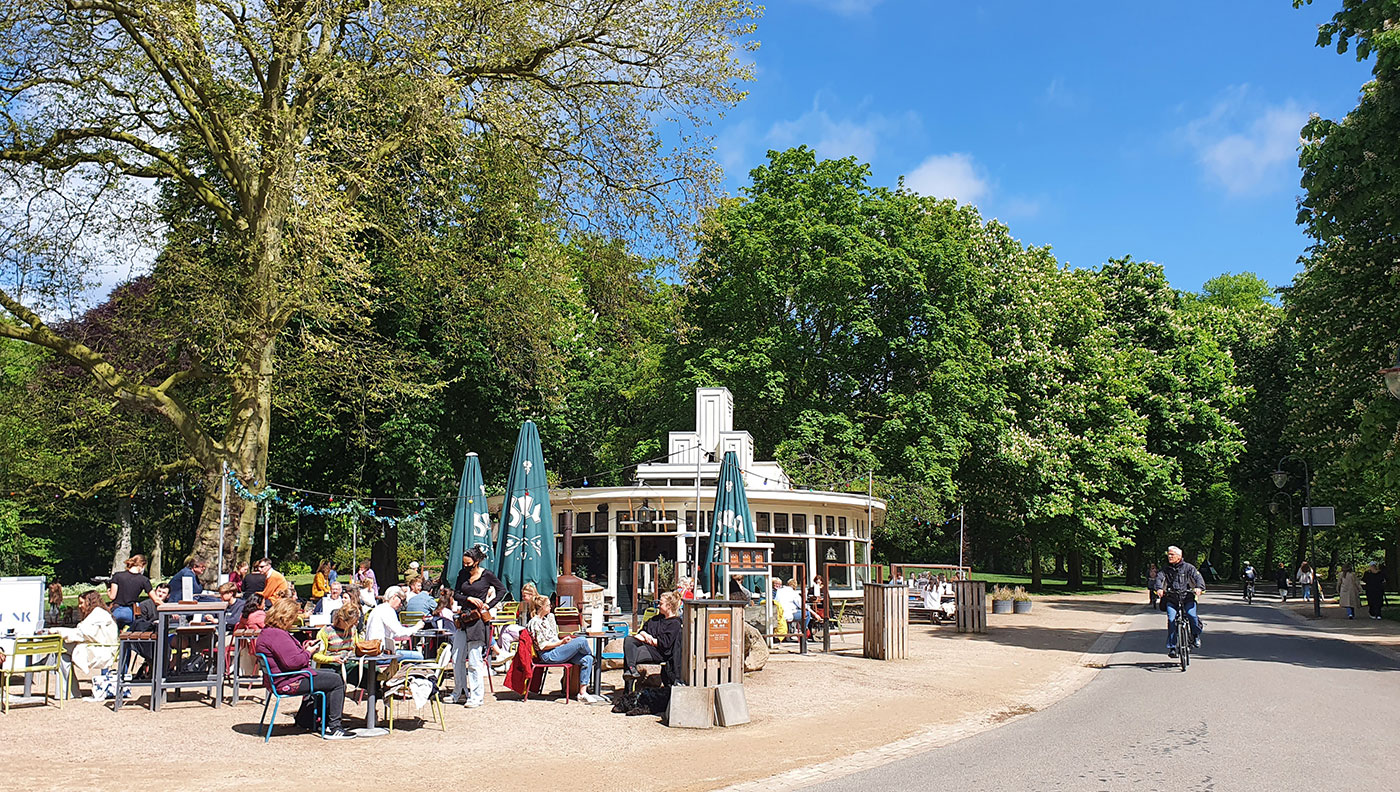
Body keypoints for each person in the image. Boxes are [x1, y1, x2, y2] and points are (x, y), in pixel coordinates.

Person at [255, 598, 356, 740]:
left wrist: (304, 647)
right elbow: (294, 663)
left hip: (280, 679)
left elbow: (288, 656)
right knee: (337, 680)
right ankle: (334, 727)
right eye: (293, 617)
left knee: (331, 674)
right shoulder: (277, 634)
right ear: (286, 616)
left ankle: (321, 721)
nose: (295, 620)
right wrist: (309, 652)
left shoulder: (269, 632)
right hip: (289, 681)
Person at [527, 595, 608, 704]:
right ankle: (594, 659)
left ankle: (582, 693)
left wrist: (563, 643)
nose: (550, 606)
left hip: (558, 650)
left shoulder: (546, 619)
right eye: (548, 605)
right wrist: (561, 642)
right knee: (582, 640)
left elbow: (553, 636)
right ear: (541, 607)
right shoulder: (535, 622)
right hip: (549, 654)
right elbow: (542, 646)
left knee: (587, 659)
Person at [450, 545, 504, 707]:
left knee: (474, 660)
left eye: (468, 564)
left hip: (478, 620)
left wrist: (489, 604)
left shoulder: (487, 575)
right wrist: (469, 599)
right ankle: (459, 691)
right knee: (456, 657)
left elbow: (502, 590)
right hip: (464, 617)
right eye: (464, 563)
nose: (465, 566)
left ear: (477, 561)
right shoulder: (462, 574)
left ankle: (476, 696)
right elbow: (456, 593)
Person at [54, 590, 118, 698]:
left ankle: (67, 691)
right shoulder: (101, 613)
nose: (79, 606)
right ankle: (68, 691)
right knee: (62, 649)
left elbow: (81, 633)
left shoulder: (97, 614)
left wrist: (57, 631)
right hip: (104, 649)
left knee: (61, 648)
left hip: (102, 652)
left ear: (89, 603)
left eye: (81, 603)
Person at [1153, 545, 1204, 659]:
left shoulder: (1189, 568)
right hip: (1172, 599)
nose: (1169, 556)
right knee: (1171, 620)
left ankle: (1195, 635)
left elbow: (1198, 578)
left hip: (1187, 598)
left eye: (1172, 555)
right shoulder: (1165, 569)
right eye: (1168, 554)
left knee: (1191, 615)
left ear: (1179, 556)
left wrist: (1199, 588)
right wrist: (1159, 589)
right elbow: (1159, 579)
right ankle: (1172, 647)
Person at [622, 590, 683, 685]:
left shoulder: (674, 623)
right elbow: (642, 630)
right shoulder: (656, 619)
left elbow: (664, 644)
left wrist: (649, 639)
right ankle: (631, 670)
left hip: (659, 652)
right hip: (647, 644)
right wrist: (647, 636)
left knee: (630, 655)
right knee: (628, 640)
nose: (658, 605)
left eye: (661, 603)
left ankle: (629, 681)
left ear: (669, 606)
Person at [365, 585, 424, 660]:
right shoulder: (388, 610)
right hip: (380, 654)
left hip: (372, 652)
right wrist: (416, 627)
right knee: (419, 656)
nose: (401, 604)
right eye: (401, 600)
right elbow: (399, 632)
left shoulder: (378, 608)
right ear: (394, 596)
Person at [312, 603, 363, 682]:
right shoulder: (326, 632)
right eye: (351, 623)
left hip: (349, 663)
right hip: (330, 666)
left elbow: (356, 648)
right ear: (342, 620)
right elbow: (316, 656)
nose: (353, 625)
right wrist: (333, 659)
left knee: (370, 670)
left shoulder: (353, 629)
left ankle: (379, 687)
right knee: (361, 673)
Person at [107, 554, 152, 630]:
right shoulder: (144, 580)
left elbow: (112, 596)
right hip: (130, 612)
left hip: (116, 611)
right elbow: (154, 598)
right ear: (142, 565)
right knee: (130, 631)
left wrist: (108, 591)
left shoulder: (118, 576)